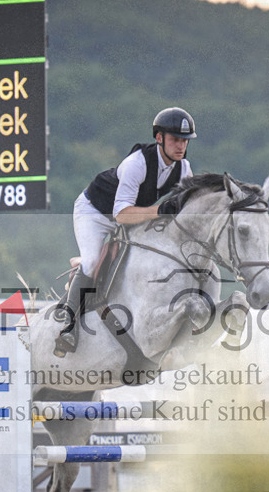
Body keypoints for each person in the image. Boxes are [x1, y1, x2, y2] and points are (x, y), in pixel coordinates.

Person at [54, 107, 196, 356]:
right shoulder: (137, 163)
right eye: (175, 139)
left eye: (184, 140)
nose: (181, 146)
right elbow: (121, 213)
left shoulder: (183, 169)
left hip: (130, 218)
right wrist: (160, 211)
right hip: (96, 213)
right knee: (91, 260)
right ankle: (68, 321)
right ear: (159, 138)